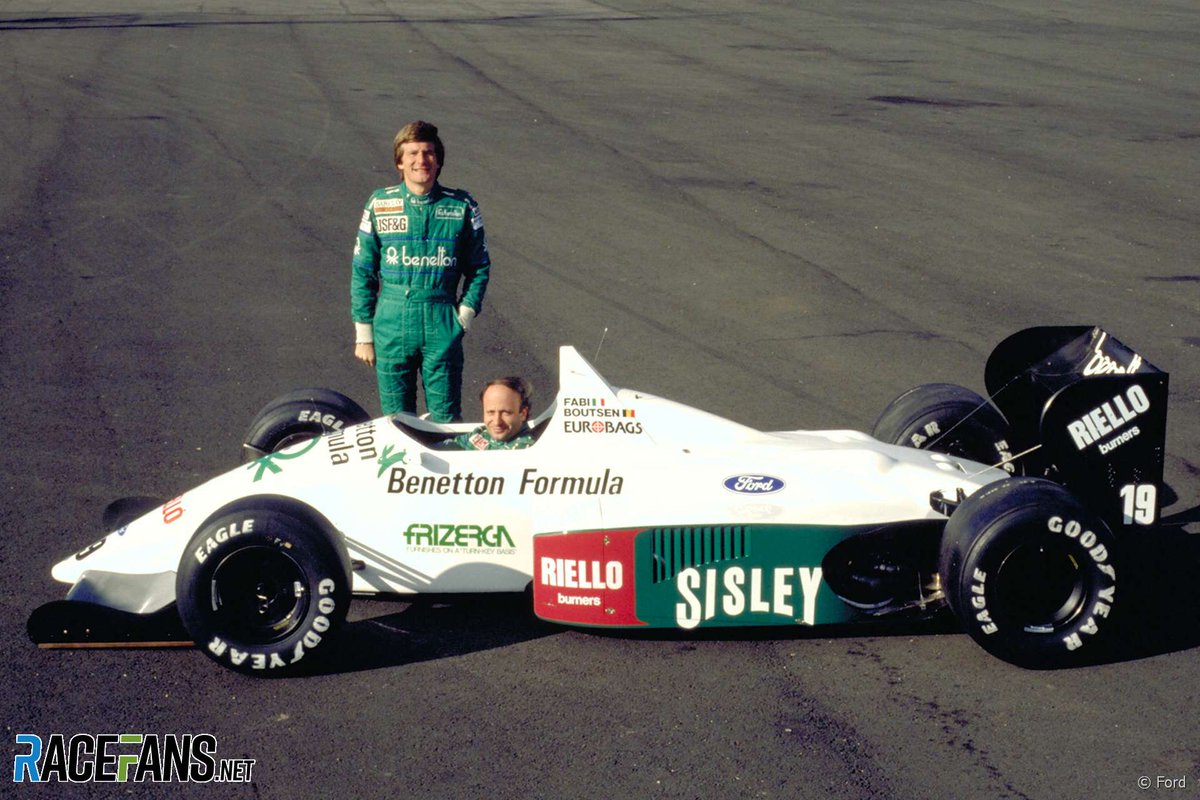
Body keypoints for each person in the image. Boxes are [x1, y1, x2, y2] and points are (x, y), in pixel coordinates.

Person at [351, 120, 490, 422]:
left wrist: (464, 316)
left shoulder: (462, 205)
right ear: (399, 162)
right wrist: (364, 335)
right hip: (391, 320)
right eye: (412, 153)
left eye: (428, 153)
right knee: (395, 421)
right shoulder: (380, 203)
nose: (421, 160)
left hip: (441, 318)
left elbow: (479, 267)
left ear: (438, 161)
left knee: (446, 420)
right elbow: (363, 271)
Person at [445, 377, 535, 450]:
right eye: (491, 412)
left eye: (505, 413)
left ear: (523, 414)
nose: (497, 422)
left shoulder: (524, 449)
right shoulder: (481, 433)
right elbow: (451, 445)